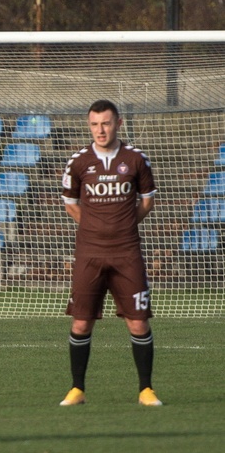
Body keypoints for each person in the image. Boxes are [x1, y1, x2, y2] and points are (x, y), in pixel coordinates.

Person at [59, 99, 161, 407]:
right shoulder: (78, 162)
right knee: (80, 323)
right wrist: (95, 226)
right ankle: (77, 389)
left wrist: (121, 226)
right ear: (89, 126)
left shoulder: (136, 160)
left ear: (118, 123)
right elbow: (71, 204)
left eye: (105, 123)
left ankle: (146, 390)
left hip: (127, 252)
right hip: (89, 253)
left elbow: (146, 202)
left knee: (138, 322)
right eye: (94, 124)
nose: (100, 130)